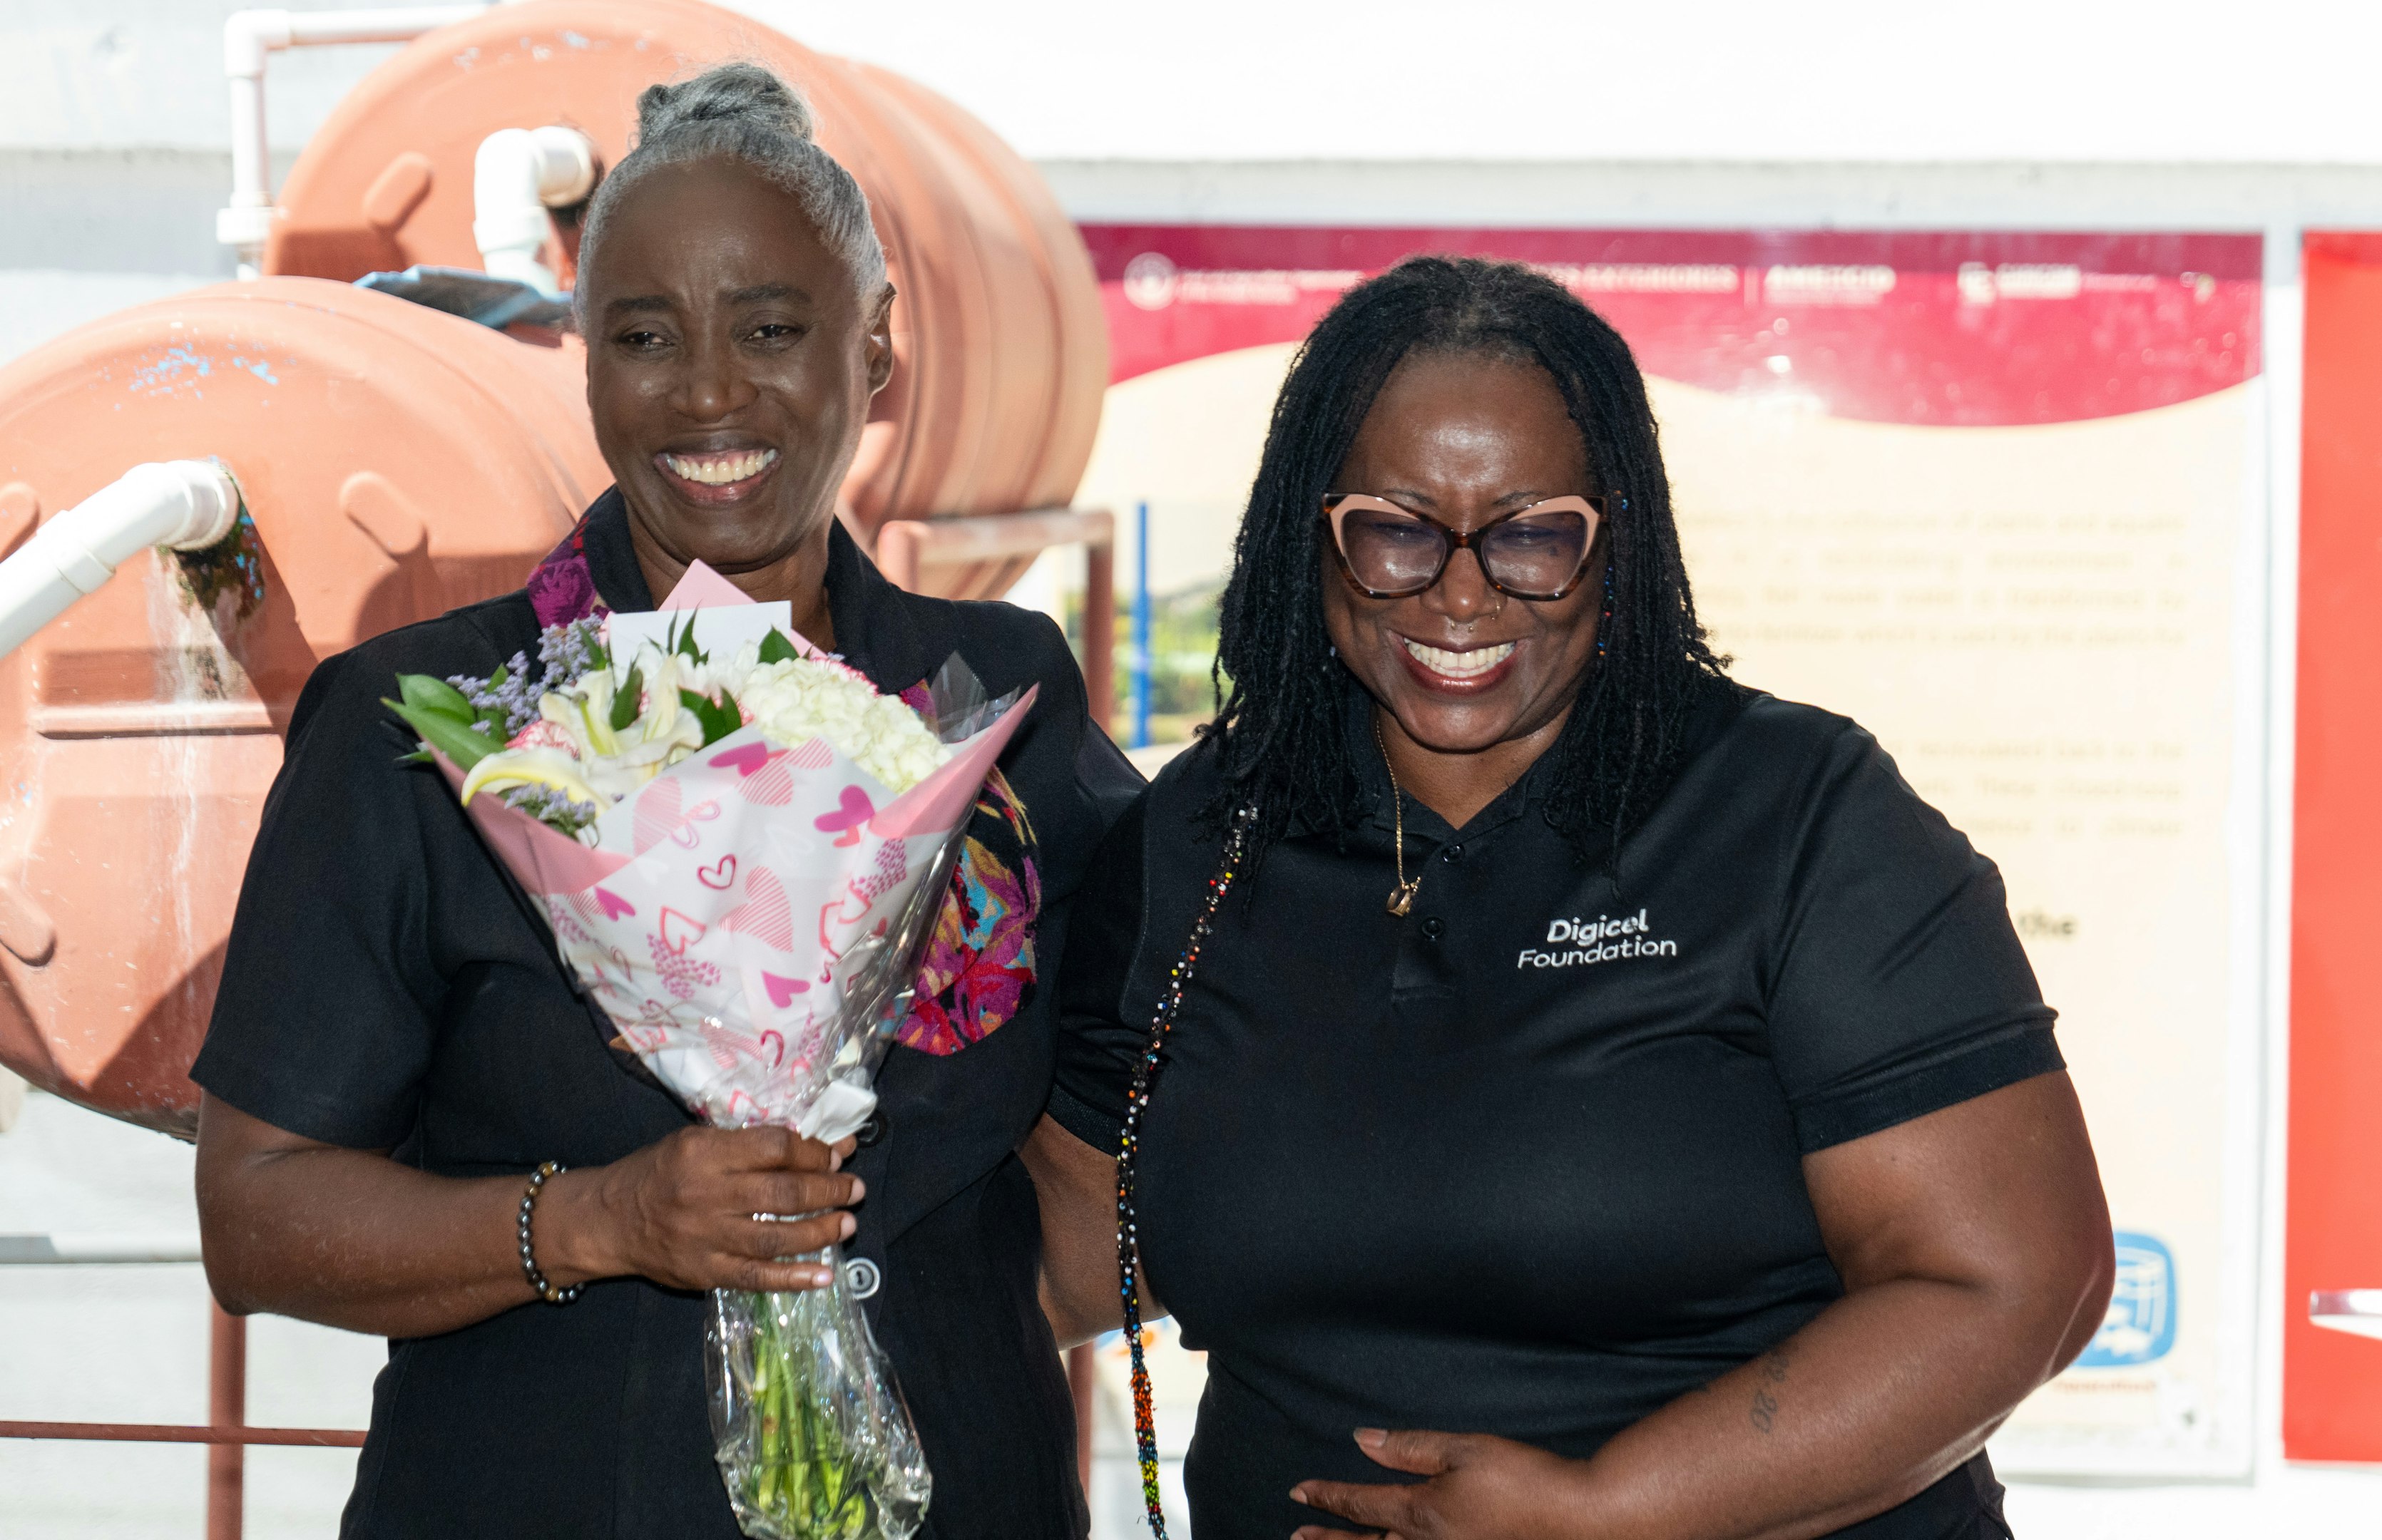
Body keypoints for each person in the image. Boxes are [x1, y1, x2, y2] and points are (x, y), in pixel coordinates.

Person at [1026, 257, 2114, 1540]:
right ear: (1309, 533)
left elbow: (2015, 1282)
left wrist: (1608, 1511)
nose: (1462, 594)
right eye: (1396, 530)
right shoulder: (1196, 843)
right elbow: (1064, 1258)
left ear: (1618, 540)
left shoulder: (1794, 816)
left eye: (1533, 535)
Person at [191, 64, 1137, 1539]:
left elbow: (1140, 1067)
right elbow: (256, 1215)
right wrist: (601, 1220)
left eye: (771, 329)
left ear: (874, 343)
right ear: (585, 360)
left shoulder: (1001, 699)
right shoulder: (430, 725)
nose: (706, 392)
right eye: (643, 335)